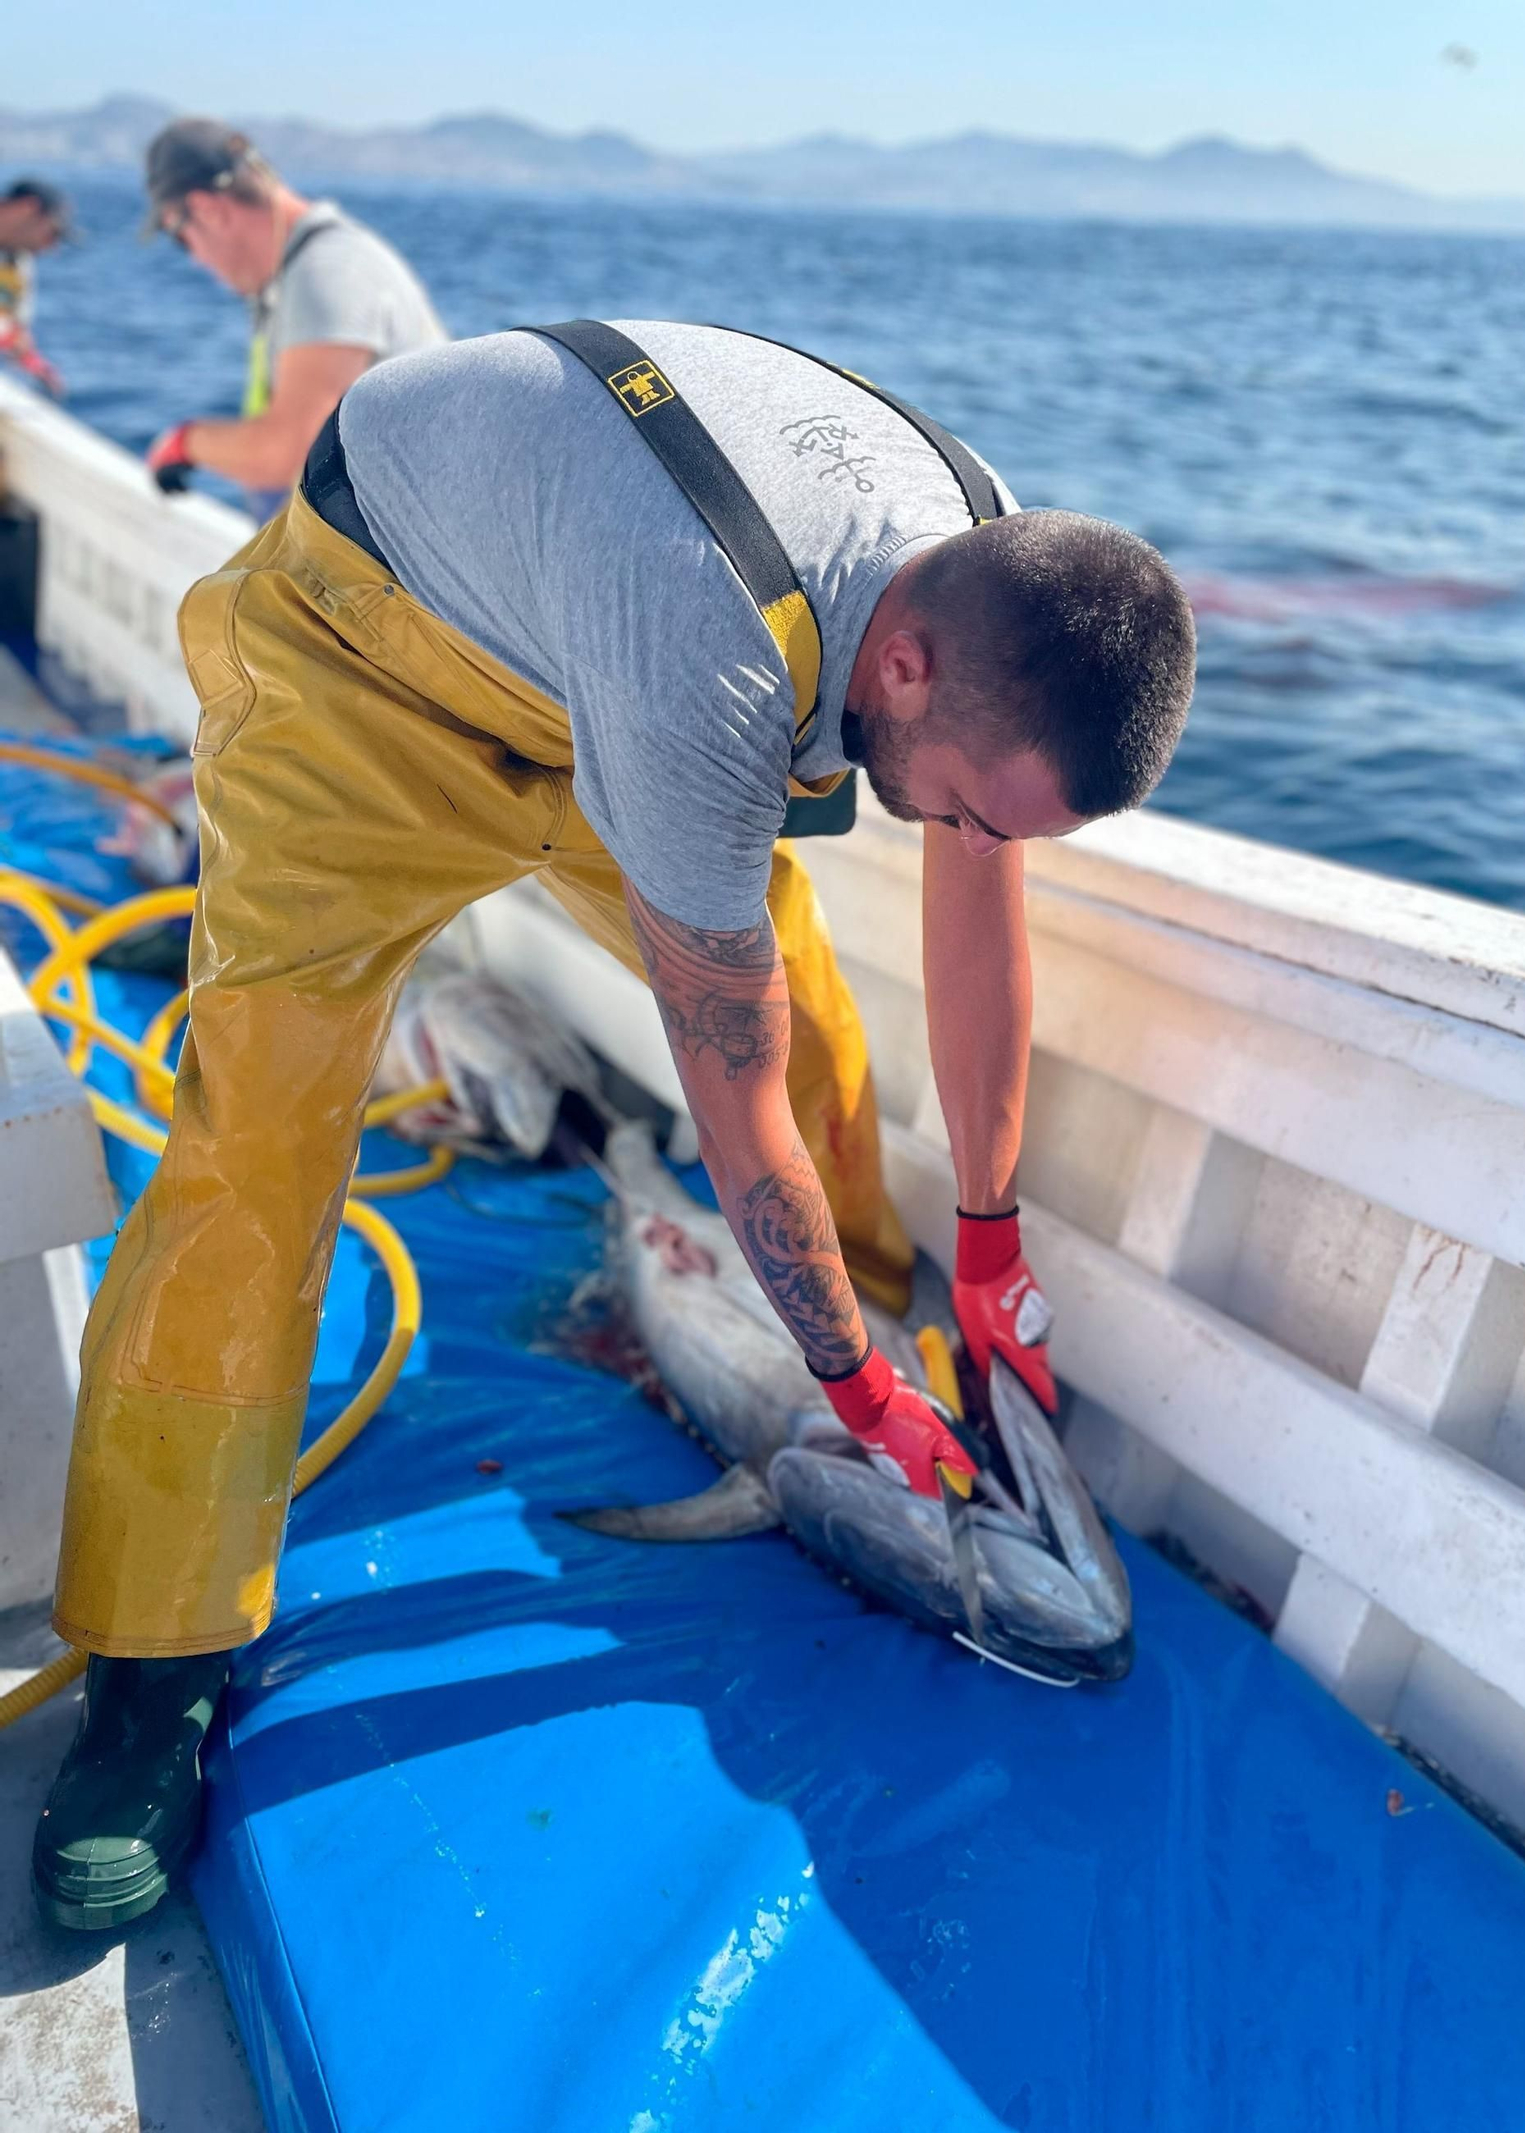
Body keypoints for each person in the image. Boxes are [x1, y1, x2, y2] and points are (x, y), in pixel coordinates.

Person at [31, 320, 1195, 1930]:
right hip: (360, 667)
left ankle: (815, 1384)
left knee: (818, 1036)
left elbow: (978, 908)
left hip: (588, 661)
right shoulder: (707, 657)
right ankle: (154, 1672)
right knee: (263, 1150)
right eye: (969, 800)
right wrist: (855, 1372)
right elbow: (723, 1082)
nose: (961, 833)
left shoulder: (985, 566)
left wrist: (987, 1245)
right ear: (906, 668)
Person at [140, 117, 445, 516]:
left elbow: (290, 453)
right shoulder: (294, 274)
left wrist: (183, 443)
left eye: (180, 238)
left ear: (207, 210)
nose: (195, 259)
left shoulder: (328, 270)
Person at [0, 178, 74, 397]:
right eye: (53, 233)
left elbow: (16, 332)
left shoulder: (19, 264)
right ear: (27, 209)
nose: (52, 247)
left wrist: (36, 365)